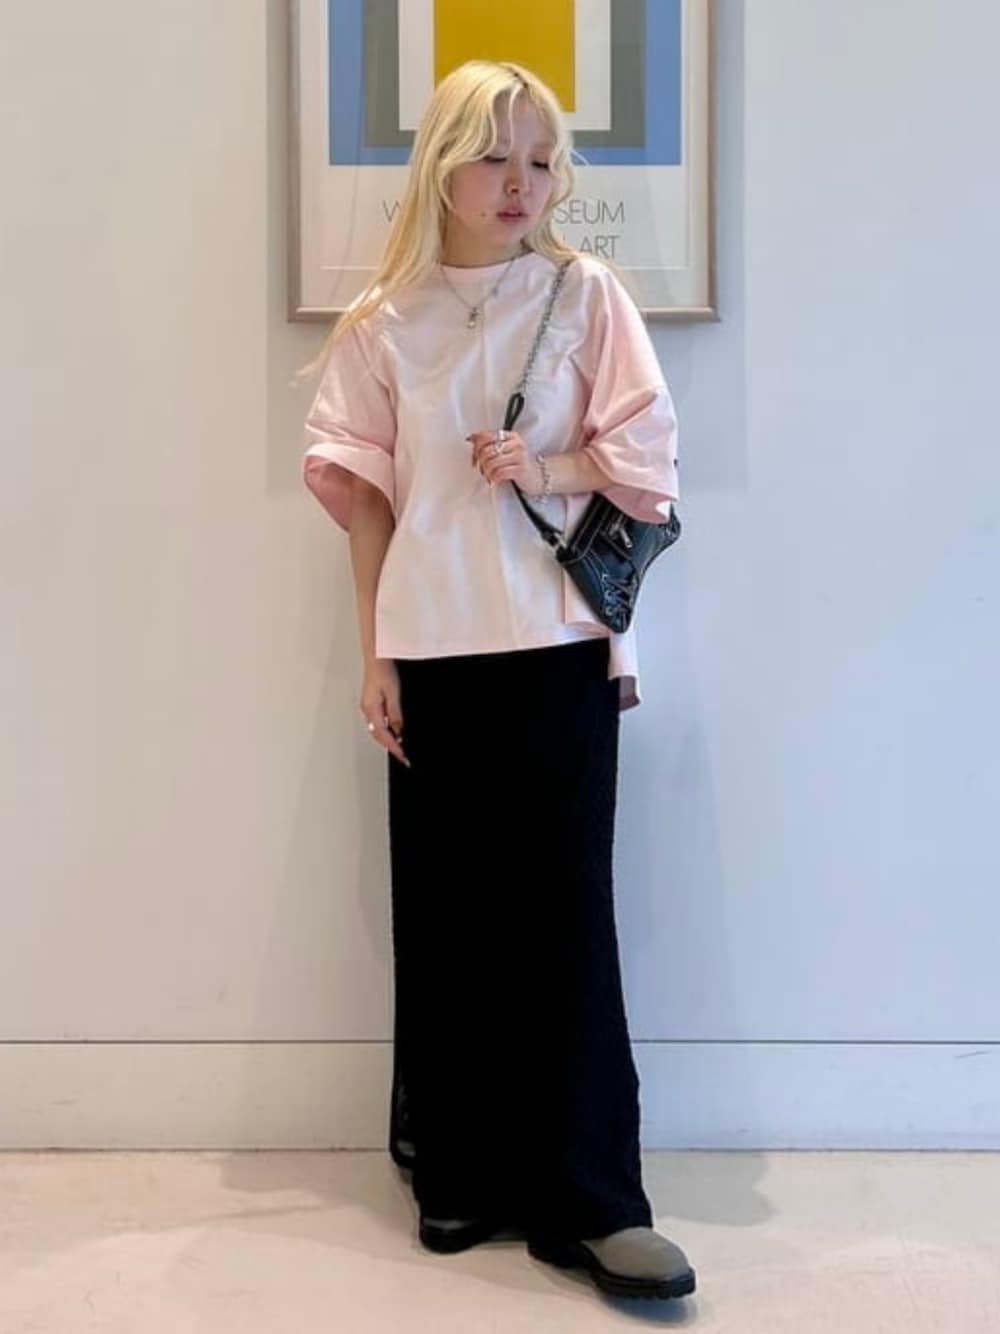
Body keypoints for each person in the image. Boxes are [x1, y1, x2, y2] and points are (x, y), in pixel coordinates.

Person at [300, 58, 696, 1303]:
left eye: (539, 159)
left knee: (565, 914)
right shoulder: (383, 321)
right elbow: (369, 496)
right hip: (432, 644)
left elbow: (648, 460)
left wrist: (547, 461)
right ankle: (464, 1171)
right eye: (492, 155)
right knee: (448, 913)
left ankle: (595, 1199)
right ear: (441, 165)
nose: (519, 182)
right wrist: (376, 653)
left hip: (556, 640)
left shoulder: (585, 295)